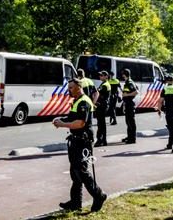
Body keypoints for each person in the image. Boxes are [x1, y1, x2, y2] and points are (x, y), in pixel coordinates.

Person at [53, 78, 107, 212]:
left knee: (82, 172)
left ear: (79, 87)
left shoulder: (84, 102)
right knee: (75, 173)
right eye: (69, 87)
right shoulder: (77, 101)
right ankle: (76, 203)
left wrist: (62, 124)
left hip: (83, 142)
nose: (69, 90)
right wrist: (60, 119)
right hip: (76, 141)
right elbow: (72, 117)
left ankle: (99, 195)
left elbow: (81, 123)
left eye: (71, 87)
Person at [120, 69, 138, 144]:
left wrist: (127, 95)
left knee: (131, 121)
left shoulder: (130, 82)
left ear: (125, 74)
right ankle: (129, 136)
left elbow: (136, 92)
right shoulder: (127, 82)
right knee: (128, 121)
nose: (122, 75)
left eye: (122, 74)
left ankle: (132, 138)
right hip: (127, 103)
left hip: (130, 104)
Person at [94, 71, 111, 147]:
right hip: (103, 105)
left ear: (106, 76)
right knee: (102, 124)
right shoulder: (105, 84)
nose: (100, 76)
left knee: (100, 124)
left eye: (101, 75)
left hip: (102, 106)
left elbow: (97, 93)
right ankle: (103, 140)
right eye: (100, 75)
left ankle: (100, 140)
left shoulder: (104, 85)